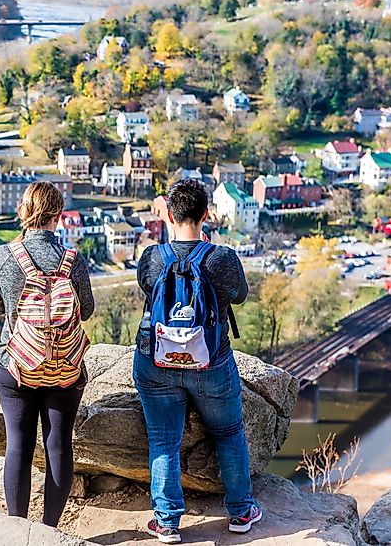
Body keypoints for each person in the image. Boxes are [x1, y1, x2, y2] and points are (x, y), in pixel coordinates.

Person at [134, 179, 261, 544]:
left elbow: (147, 288)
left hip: (156, 362)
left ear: (168, 215)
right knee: (229, 433)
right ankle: (240, 512)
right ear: (206, 214)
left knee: (162, 440)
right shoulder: (221, 258)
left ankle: (167, 522)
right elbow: (238, 296)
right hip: (211, 363)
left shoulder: (152, 257)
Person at [0, 181, 95, 527]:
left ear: (23, 211)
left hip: (17, 364)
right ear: (57, 217)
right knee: (58, 445)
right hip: (64, 367)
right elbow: (87, 310)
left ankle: (18, 528)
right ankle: (49, 530)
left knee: (18, 443)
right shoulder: (73, 260)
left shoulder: (4, 256)